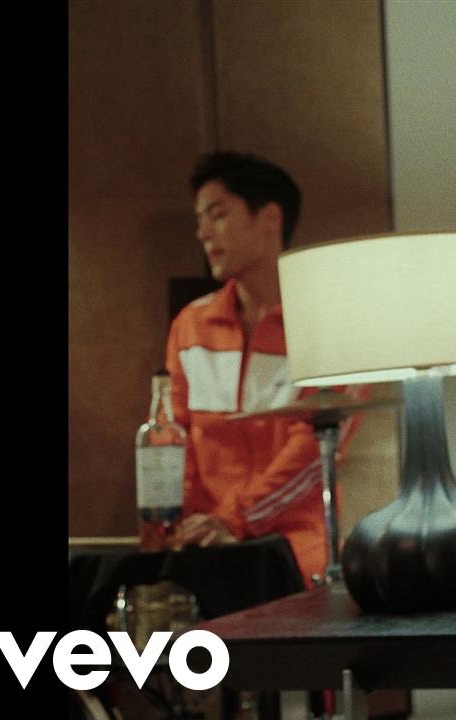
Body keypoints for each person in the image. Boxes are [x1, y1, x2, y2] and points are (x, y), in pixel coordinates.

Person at [166, 151, 365, 586]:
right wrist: (184, 526)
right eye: (199, 220)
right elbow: (174, 437)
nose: (203, 233)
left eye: (218, 214)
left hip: (294, 555)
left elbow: (315, 451)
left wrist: (234, 520)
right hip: (205, 548)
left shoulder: (327, 325)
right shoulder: (190, 326)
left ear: (270, 218)